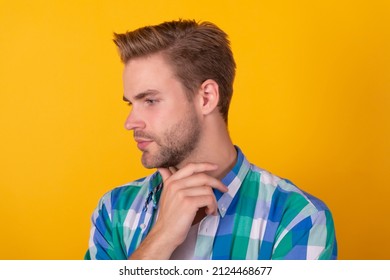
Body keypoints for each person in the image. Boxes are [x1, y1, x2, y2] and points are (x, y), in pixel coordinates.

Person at [85, 19, 337, 260]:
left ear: (206, 98)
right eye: (131, 103)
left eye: (150, 100)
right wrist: (160, 238)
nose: (130, 122)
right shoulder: (113, 211)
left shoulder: (296, 218)